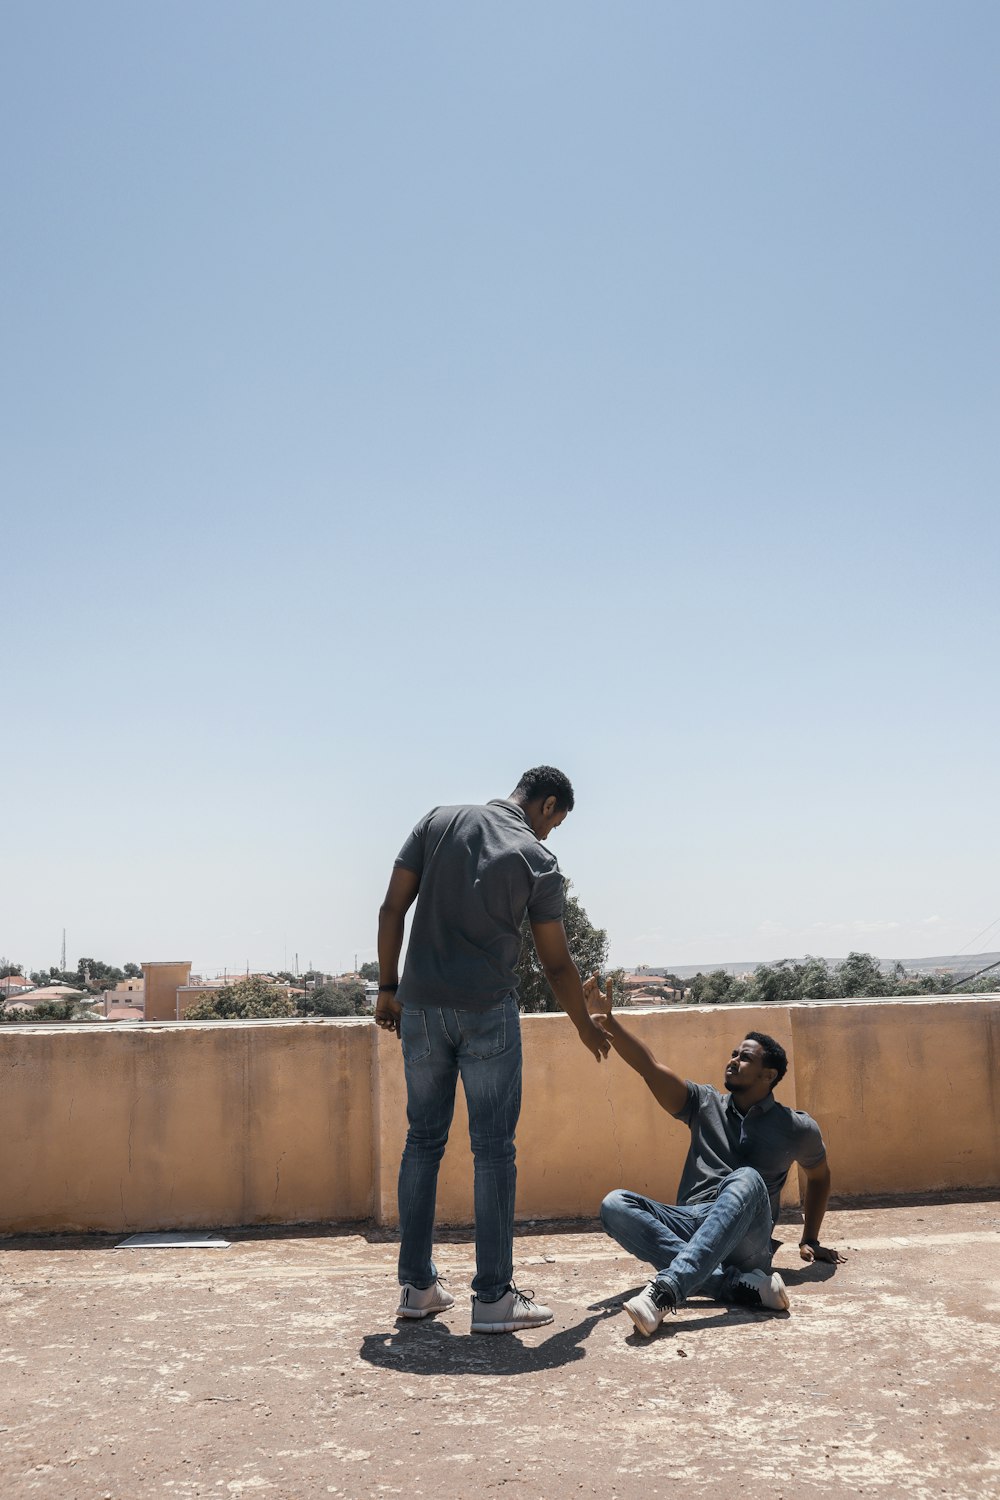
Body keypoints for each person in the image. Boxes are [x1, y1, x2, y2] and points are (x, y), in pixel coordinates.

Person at [375, 767, 611, 1335]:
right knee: (493, 1152)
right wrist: (583, 1025)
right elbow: (556, 963)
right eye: (556, 822)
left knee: (422, 1141)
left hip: (422, 1010)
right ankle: (493, 1299)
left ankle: (416, 1288)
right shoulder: (536, 859)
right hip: (489, 1016)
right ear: (547, 804)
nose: (551, 834)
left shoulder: (436, 821)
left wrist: (387, 987)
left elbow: (391, 909)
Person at [584, 978, 845, 1337]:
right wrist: (609, 1022)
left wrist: (810, 1238)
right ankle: (733, 1286)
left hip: (748, 1240)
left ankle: (666, 1291)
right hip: (692, 1222)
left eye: (745, 1058)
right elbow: (650, 1067)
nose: (733, 1061)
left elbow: (820, 1176)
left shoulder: (796, 1127)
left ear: (768, 1075)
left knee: (746, 1178)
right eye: (734, 1054)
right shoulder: (702, 1104)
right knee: (614, 1204)